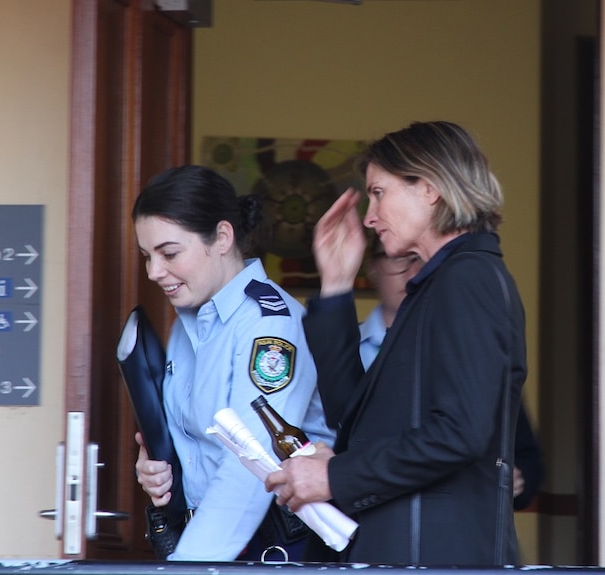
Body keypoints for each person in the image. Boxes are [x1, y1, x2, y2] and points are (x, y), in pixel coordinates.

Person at [265, 120, 528, 566]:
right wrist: (335, 285)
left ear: (429, 188)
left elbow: (459, 434)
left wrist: (335, 476)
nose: (369, 216)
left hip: (437, 560)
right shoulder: (438, 284)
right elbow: (356, 419)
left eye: (379, 192)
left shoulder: (467, 278)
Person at [132, 165, 335, 561]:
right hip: (212, 545)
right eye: (147, 256)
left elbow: (250, 464)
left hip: (268, 550)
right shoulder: (187, 321)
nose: (154, 272)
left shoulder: (268, 325)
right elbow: (199, 443)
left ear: (223, 237)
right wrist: (159, 466)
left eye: (169, 253)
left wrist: (186, 568)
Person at [359, 238, 542, 512]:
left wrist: (514, 479)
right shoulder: (343, 349)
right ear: (373, 268)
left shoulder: (465, 350)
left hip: (452, 526)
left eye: (421, 260)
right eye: (398, 258)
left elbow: (524, 456)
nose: (413, 272)